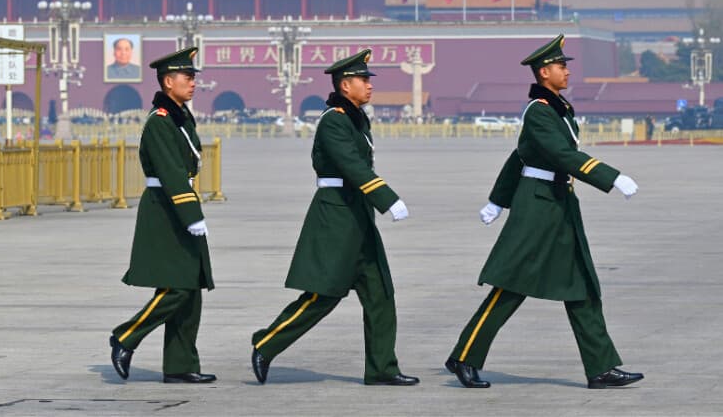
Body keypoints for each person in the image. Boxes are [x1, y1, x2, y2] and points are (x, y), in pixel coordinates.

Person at [445, 34, 644, 390]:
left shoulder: (556, 109)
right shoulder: (539, 112)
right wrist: (610, 176)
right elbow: (559, 155)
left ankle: (601, 368)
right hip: (538, 205)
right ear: (543, 72)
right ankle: (464, 357)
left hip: (559, 204)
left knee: (582, 286)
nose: (567, 71)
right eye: (560, 66)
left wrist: (497, 199)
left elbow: (520, 155)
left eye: (566, 65)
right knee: (510, 286)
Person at [250, 49, 419, 386]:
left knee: (380, 294)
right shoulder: (334, 120)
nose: (369, 86)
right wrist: (386, 197)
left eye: (369, 80)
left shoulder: (356, 117)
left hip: (359, 215)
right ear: (345, 85)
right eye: (363, 80)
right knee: (322, 297)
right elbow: (351, 165)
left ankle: (382, 368)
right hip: (337, 215)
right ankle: (266, 344)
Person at [108, 46, 216, 384]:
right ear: (169, 81)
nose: (193, 82)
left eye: (193, 77)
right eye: (187, 77)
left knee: (191, 288)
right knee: (178, 289)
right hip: (166, 208)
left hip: (179, 203)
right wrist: (191, 212)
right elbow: (170, 171)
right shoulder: (160, 122)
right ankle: (126, 336)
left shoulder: (181, 116)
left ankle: (180, 364)